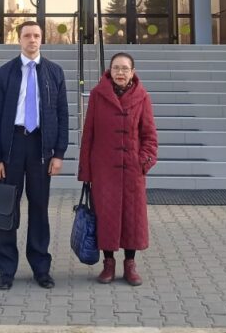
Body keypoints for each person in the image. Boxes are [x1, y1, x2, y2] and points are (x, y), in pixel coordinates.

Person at [0, 20, 69, 290]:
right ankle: (6, 270)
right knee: (6, 209)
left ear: (42, 39)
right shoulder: (5, 73)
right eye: (27, 36)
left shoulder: (55, 72)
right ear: (19, 39)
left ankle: (41, 268)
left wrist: (59, 153)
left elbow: (63, 115)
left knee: (40, 208)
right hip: (12, 147)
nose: (32, 40)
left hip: (40, 149)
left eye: (36, 35)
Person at [77, 51, 158, 286]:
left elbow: (149, 135)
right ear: (109, 71)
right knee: (106, 217)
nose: (120, 72)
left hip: (132, 170)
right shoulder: (97, 95)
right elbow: (88, 134)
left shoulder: (142, 97)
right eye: (116, 68)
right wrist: (86, 172)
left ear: (132, 72)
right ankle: (108, 263)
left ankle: (130, 264)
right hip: (104, 171)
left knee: (132, 218)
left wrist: (143, 161)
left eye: (124, 68)